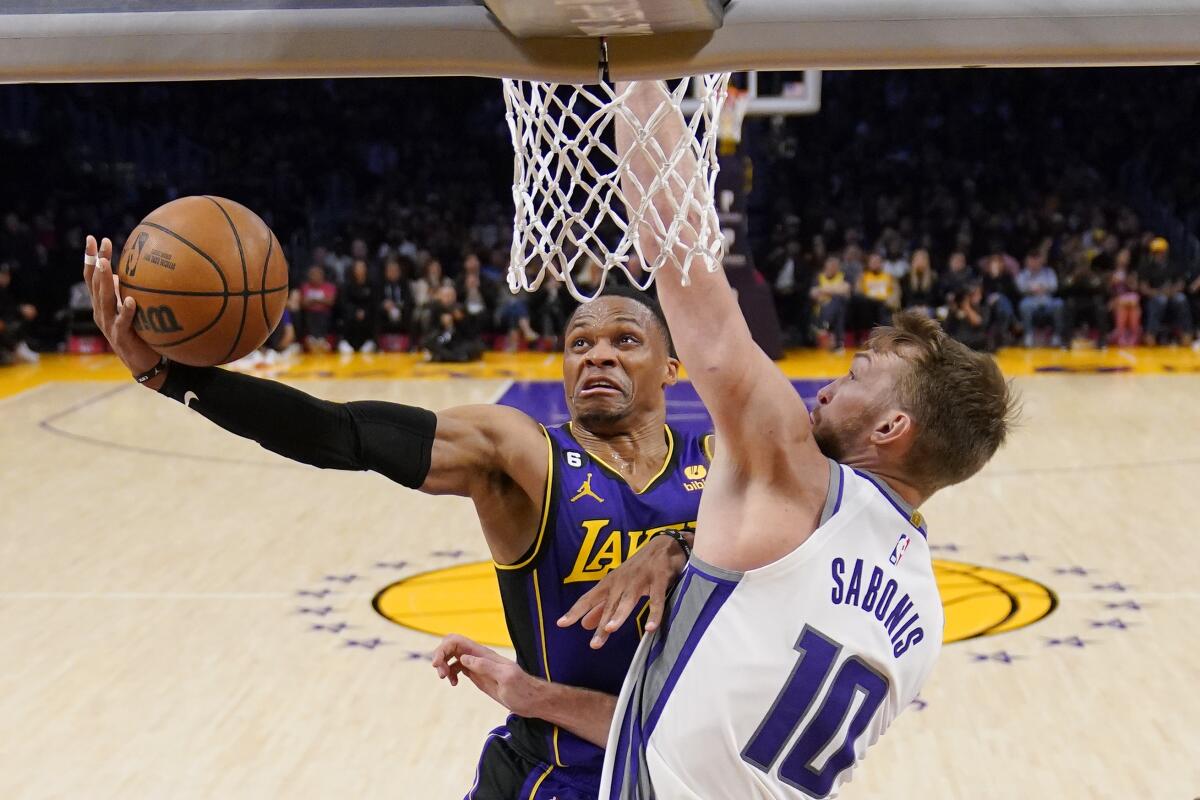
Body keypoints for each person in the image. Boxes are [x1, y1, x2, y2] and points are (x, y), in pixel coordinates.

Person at [81, 234, 707, 800]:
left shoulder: (719, 466)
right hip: (558, 773)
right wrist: (170, 375)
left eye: (625, 340)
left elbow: (802, 532)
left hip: (695, 767)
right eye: (579, 344)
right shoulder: (522, 456)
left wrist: (678, 541)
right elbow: (342, 432)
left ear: (673, 370)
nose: (597, 356)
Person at [601, 80, 1016, 799]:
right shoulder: (924, 619)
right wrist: (679, 547)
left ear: (891, 428)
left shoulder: (796, 474)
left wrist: (637, 75)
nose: (825, 388)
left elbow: (690, 272)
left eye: (856, 377)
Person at [809, 255, 850, 351]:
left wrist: (823, 290)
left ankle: (824, 326)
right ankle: (838, 342)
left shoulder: (843, 276)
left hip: (837, 309)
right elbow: (813, 294)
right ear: (825, 266)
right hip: (820, 309)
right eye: (830, 266)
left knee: (838, 302)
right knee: (837, 304)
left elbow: (845, 290)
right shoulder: (818, 277)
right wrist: (835, 289)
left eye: (835, 266)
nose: (832, 268)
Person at [338, 259, 378, 353]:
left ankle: (370, 342)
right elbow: (344, 303)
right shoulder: (346, 285)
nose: (360, 270)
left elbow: (374, 302)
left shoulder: (372, 285)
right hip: (351, 316)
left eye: (362, 268)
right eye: (358, 268)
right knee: (347, 317)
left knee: (373, 316)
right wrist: (355, 311)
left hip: (367, 316)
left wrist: (365, 312)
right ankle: (345, 342)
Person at [298, 264, 337, 353]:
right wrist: (321, 300)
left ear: (322, 275)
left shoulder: (329, 287)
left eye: (316, 274)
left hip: (324, 315)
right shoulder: (305, 287)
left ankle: (322, 340)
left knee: (323, 316)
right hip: (309, 315)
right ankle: (312, 339)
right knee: (308, 316)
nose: (314, 277)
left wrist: (312, 300)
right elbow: (303, 303)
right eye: (312, 274)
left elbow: (330, 302)